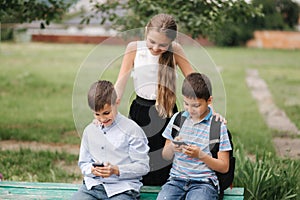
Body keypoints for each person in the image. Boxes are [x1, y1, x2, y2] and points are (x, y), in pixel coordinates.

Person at [114, 13, 194, 186]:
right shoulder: (134, 48)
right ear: (145, 32)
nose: (156, 48)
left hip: (166, 111)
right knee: (139, 157)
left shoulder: (176, 50)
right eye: (152, 41)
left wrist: (209, 110)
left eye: (163, 44)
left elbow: (194, 81)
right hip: (140, 110)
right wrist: (109, 105)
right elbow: (121, 81)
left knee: (163, 163)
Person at [156, 73, 232, 200]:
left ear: (209, 101)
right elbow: (165, 155)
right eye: (186, 104)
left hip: (204, 183)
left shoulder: (218, 126)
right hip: (176, 180)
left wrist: (200, 155)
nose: (190, 110)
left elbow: (224, 167)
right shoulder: (177, 120)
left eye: (196, 105)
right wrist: (173, 147)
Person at [72, 80, 150, 200]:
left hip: (123, 189)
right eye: (97, 114)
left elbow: (142, 166)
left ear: (116, 102)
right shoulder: (90, 131)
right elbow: (83, 163)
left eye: (106, 113)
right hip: (93, 188)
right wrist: (92, 170)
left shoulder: (132, 130)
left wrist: (116, 170)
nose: (102, 119)